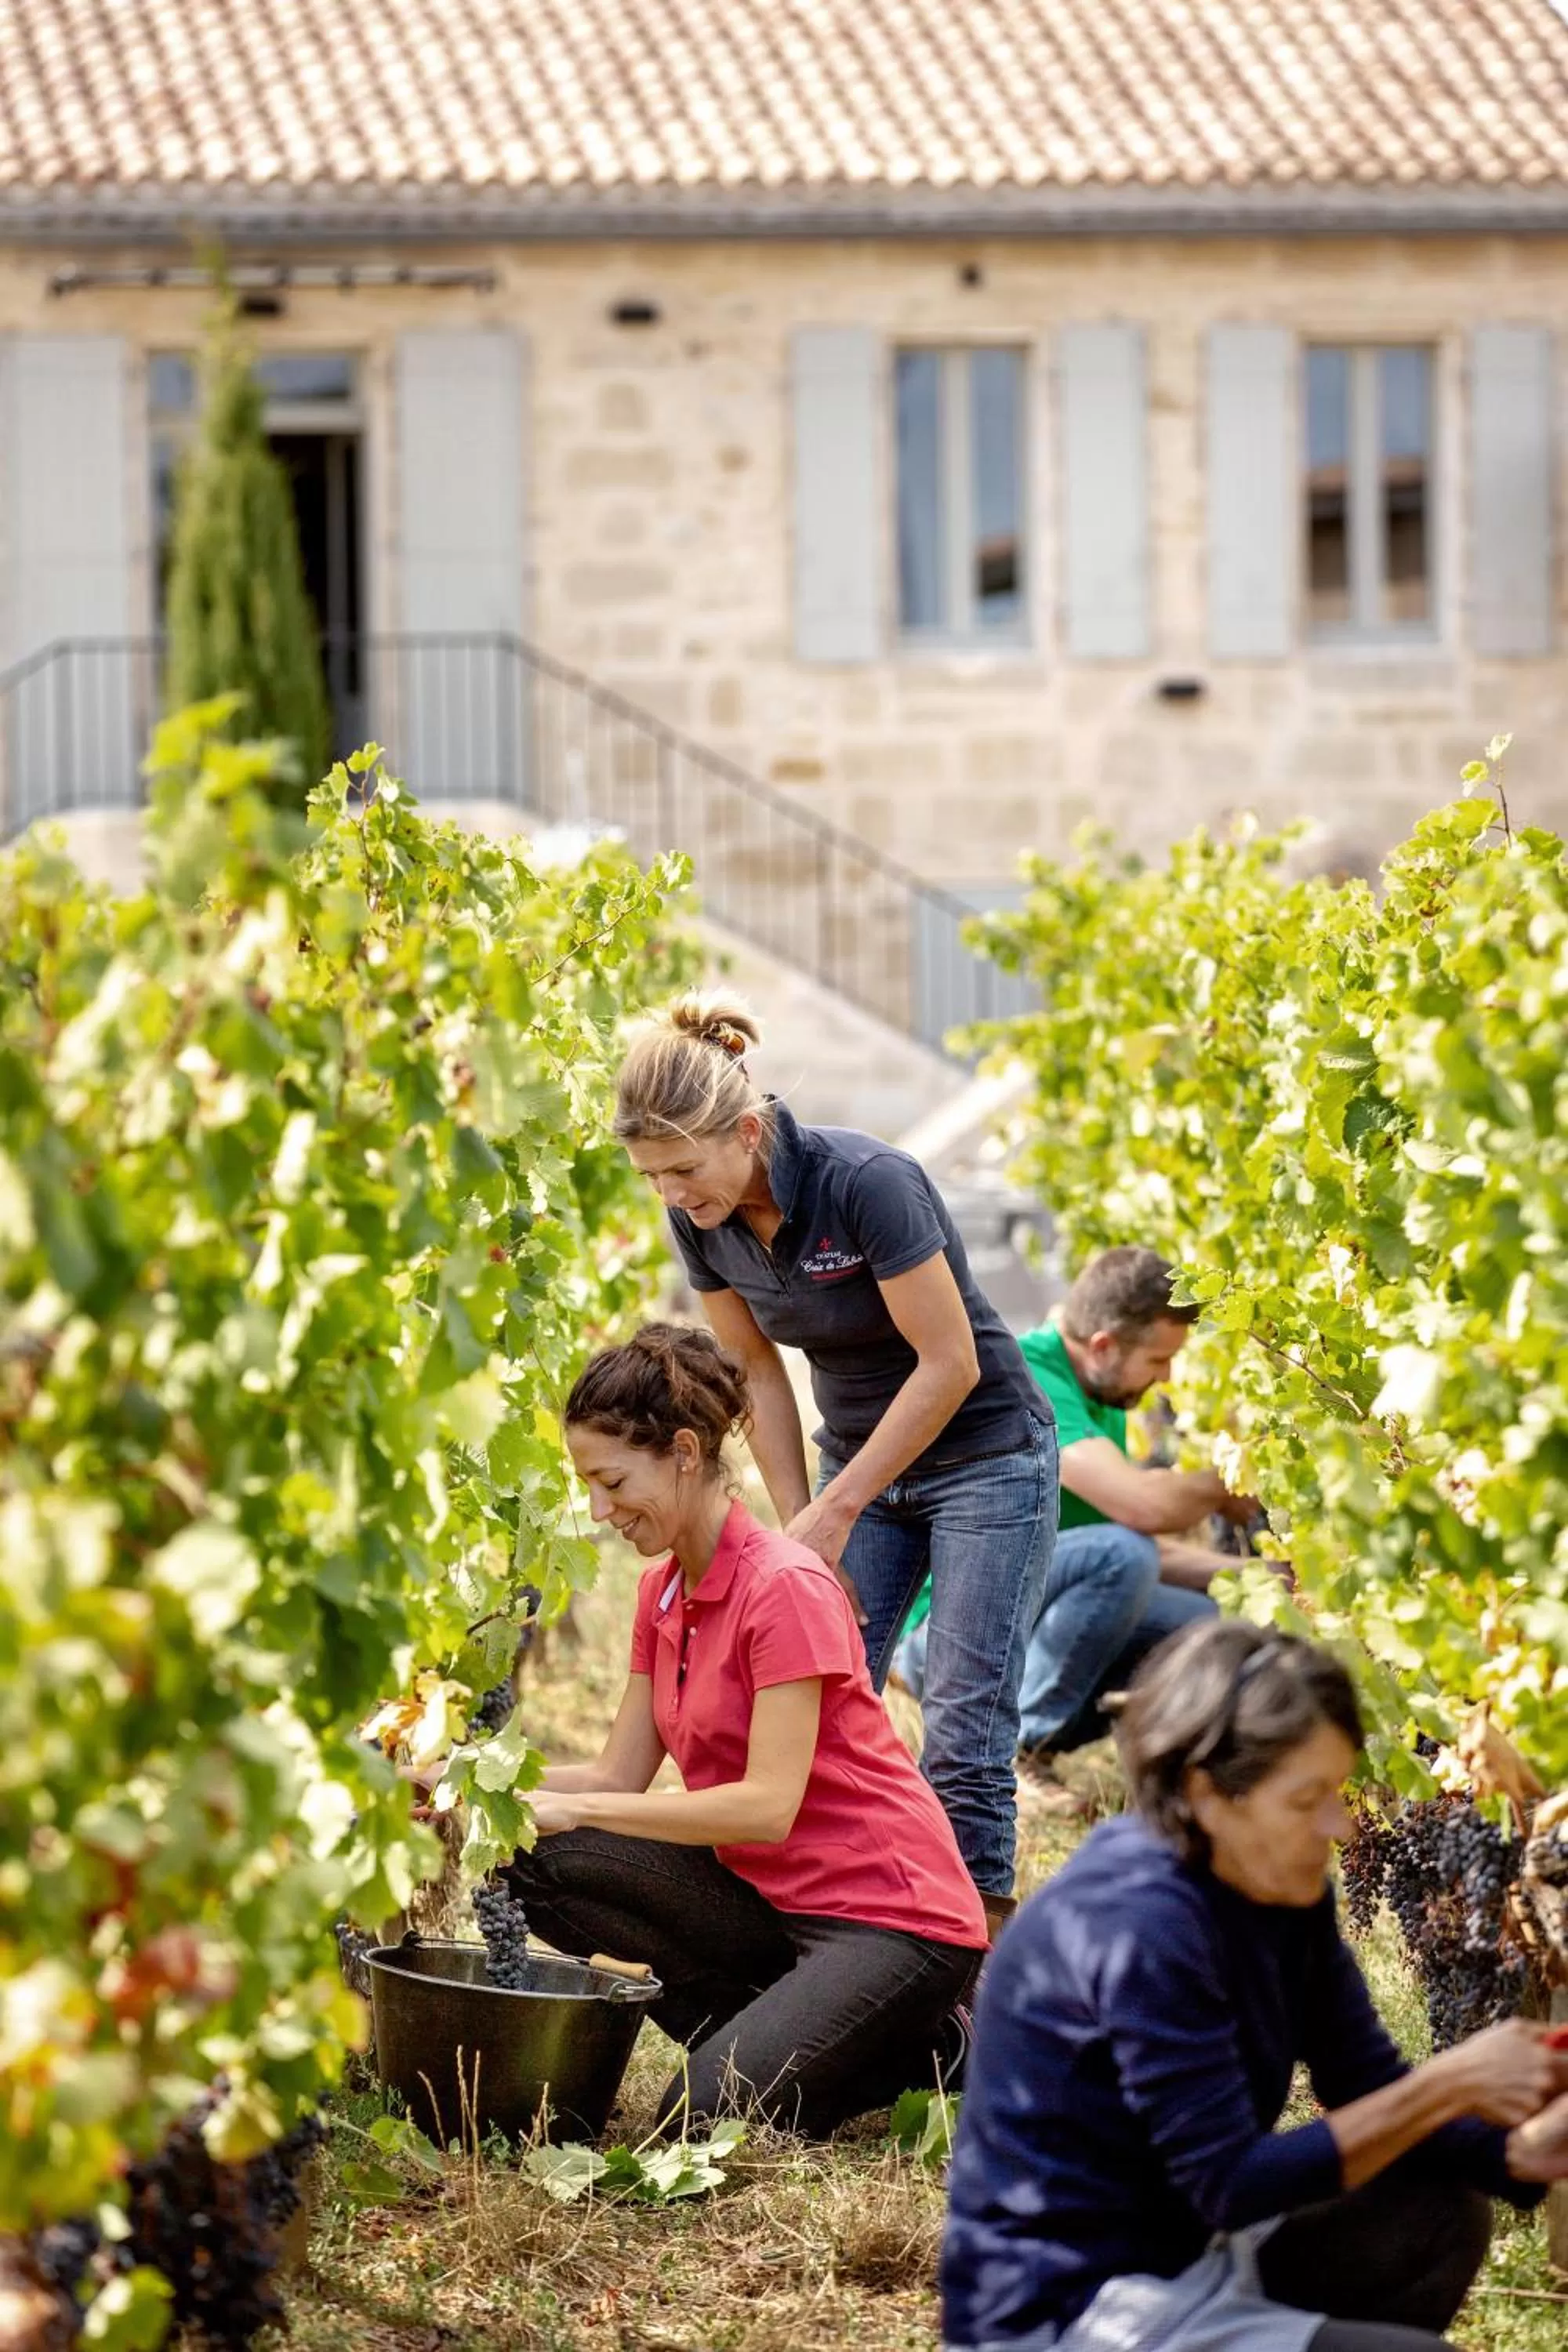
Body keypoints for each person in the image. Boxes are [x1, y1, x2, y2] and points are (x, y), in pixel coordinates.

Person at [940, 1618, 1568, 2352]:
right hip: (1066, 2310)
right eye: (1308, 1800)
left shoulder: (1278, 1887)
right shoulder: (1138, 1927)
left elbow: (1364, 2081)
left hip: (1191, 2252)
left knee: (1437, 2203)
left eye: (1338, 1791)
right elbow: (1229, 2184)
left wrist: (1520, 2153)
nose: (1338, 1826)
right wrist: (1446, 2087)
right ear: (1206, 1792)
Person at [611, 993, 1058, 1938]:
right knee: (808, 1707)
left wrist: (839, 1509)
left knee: (964, 1734)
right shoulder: (701, 1217)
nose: (672, 1196)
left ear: (744, 1130)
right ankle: (835, 1934)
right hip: (859, 1459)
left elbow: (951, 1361)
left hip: (984, 1456)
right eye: (652, 1178)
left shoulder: (868, 1182)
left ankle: (970, 1985)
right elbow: (757, 1373)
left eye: (683, 1170)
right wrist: (794, 1521)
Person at [499, 1323, 989, 2139]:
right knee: (526, 1850)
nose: (598, 1509)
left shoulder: (783, 1588)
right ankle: (821, 2042)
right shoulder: (661, 1593)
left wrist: (581, 1811)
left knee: (699, 2121)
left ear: (685, 1453)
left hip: (895, 1922)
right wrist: (471, 1781)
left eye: (612, 1480)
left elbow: (766, 1806)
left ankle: (936, 2044)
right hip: (773, 1903)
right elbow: (615, 1777)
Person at [895, 1246, 1252, 1808]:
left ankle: (1086, 1748)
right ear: (1105, 1346)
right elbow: (1140, 1513)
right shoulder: (1028, 1378)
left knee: (1210, 1619)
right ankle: (1010, 1754)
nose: (1166, 1380)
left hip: (1016, 1604)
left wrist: (1255, 1578)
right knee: (1122, 1555)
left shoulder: (1099, 1391)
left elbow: (1127, 1552)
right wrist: (1234, 1480)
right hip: (941, 1635)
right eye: (1158, 1361)